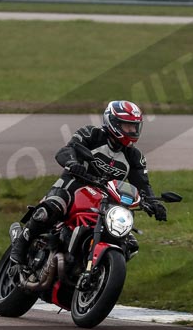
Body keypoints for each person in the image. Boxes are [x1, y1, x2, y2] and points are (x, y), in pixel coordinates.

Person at [9, 100, 167, 265]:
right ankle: (20, 246)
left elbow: (142, 184)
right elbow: (65, 151)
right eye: (127, 126)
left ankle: (96, 273)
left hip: (107, 201)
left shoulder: (135, 157)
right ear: (113, 123)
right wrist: (73, 164)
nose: (132, 130)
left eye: (135, 126)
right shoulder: (91, 134)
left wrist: (154, 203)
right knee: (51, 208)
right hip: (75, 185)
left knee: (129, 243)